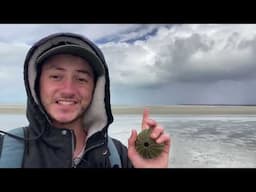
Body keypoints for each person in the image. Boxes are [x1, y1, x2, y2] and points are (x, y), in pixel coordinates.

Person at [0, 32, 170, 168]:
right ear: (36, 84)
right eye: (56, 76)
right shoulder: (5, 151)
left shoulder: (119, 157)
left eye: (81, 79)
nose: (68, 90)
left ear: (96, 89)